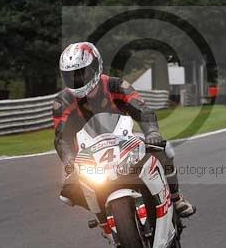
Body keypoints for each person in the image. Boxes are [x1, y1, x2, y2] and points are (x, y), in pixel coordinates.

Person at [52, 42, 196, 218]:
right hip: (88, 155)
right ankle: (103, 219)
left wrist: (152, 133)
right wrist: (69, 163)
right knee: (68, 193)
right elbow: (61, 138)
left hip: (125, 141)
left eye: (82, 73)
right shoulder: (62, 101)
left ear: (96, 67)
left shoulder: (116, 85)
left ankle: (176, 197)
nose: (77, 79)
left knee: (164, 148)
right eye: (71, 76)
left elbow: (142, 109)